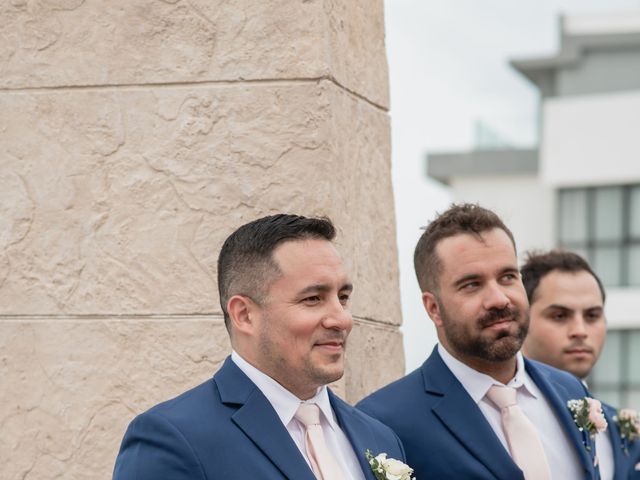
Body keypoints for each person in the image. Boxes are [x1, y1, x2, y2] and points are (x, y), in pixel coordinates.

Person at [113, 214, 407, 480]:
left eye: (342, 297)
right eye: (313, 299)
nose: (341, 319)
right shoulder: (174, 438)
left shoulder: (379, 437)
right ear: (244, 315)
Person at [358, 203, 604, 480]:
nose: (499, 299)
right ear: (433, 308)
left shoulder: (570, 390)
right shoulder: (384, 421)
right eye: (472, 284)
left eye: (508, 277)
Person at [521, 250, 640, 479]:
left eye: (592, 315)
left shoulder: (620, 427)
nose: (580, 331)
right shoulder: (501, 417)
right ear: (521, 320)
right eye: (559, 316)